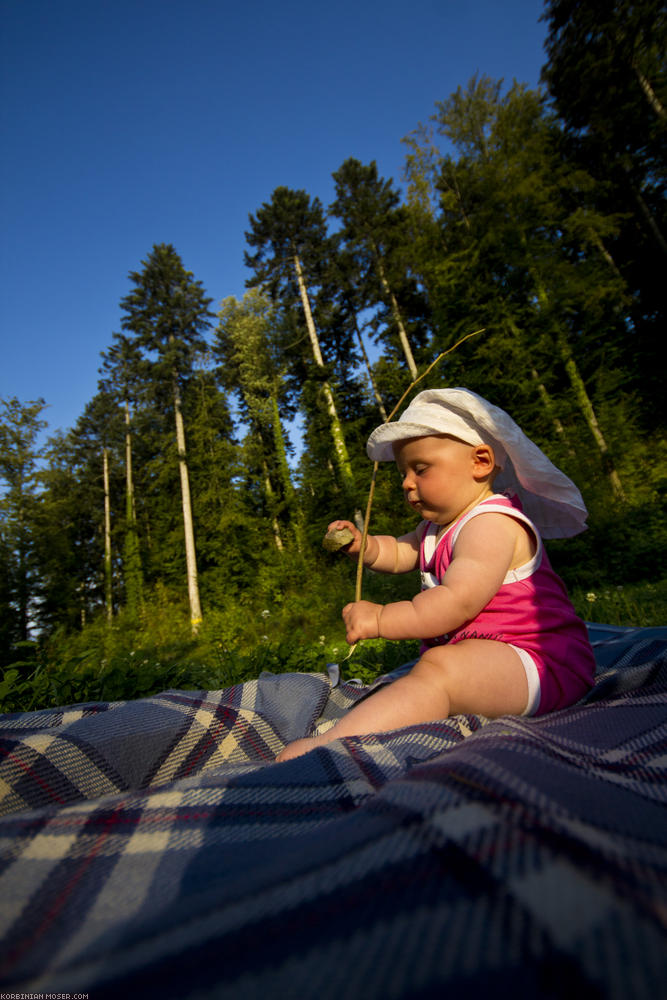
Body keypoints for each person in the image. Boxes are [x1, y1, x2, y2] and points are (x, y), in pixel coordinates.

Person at [277, 387, 596, 762]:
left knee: (440, 671)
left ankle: (332, 745)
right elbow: (398, 552)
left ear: (479, 462)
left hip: (541, 663)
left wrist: (381, 618)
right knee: (437, 669)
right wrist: (363, 545)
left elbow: (455, 603)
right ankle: (376, 723)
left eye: (420, 469)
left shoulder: (490, 524)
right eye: (402, 473)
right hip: (490, 659)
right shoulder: (435, 529)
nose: (406, 483)